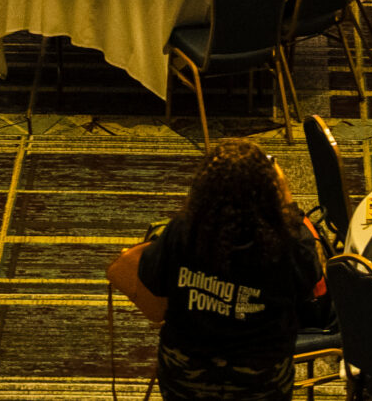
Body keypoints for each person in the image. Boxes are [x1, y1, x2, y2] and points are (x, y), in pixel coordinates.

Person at [106, 140, 325, 401]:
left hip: (185, 378)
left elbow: (152, 281)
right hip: (260, 381)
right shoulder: (290, 240)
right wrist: (286, 202)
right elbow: (311, 290)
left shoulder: (182, 231)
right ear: (270, 190)